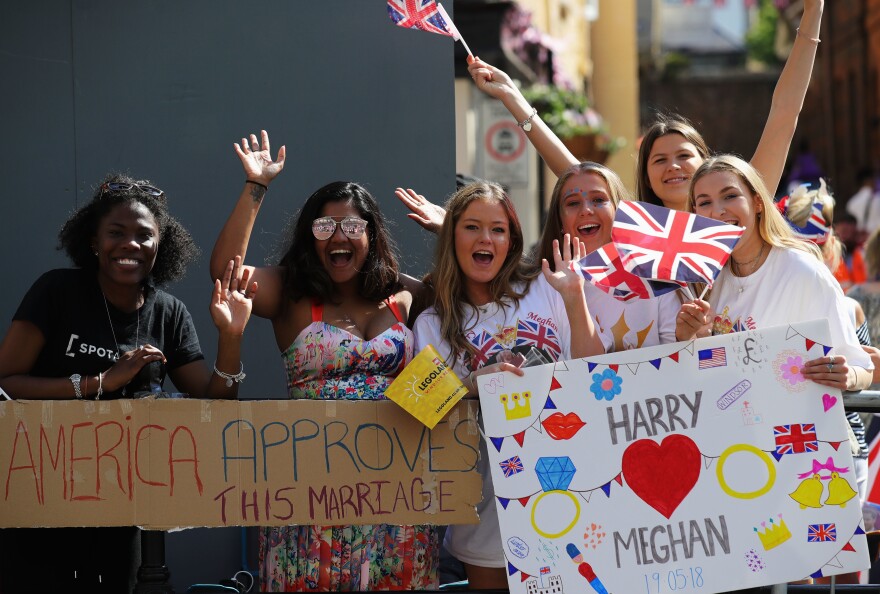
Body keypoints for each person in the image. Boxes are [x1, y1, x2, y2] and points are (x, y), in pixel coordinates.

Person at [0, 174, 254, 592]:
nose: (130, 244)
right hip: (43, 497)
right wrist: (100, 381)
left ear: (160, 245)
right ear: (94, 241)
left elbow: (216, 402)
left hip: (123, 503)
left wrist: (231, 336)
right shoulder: (57, 291)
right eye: (116, 233)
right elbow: (7, 383)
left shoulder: (169, 312)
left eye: (144, 235)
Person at [211, 130, 436, 591]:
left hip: (397, 496)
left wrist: (446, 228)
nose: (338, 236)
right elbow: (225, 275)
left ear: (371, 235)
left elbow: (469, 291)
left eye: (352, 227)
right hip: (312, 496)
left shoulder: (404, 294)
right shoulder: (291, 293)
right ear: (309, 237)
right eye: (324, 227)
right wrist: (256, 186)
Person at [413, 181, 610, 589]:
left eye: (498, 229)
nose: (486, 238)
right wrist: (473, 383)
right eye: (472, 227)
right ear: (451, 237)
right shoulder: (432, 322)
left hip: (575, 489)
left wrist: (575, 297)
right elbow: (422, 409)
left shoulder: (546, 287)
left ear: (512, 241)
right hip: (489, 508)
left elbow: (595, 374)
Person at [675, 155, 872, 395]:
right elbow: (708, 377)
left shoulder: (804, 271)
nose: (717, 211)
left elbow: (862, 367)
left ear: (758, 202)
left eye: (730, 196)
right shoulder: (705, 282)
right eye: (705, 202)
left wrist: (848, 376)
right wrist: (688, 339)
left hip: (797, 417)